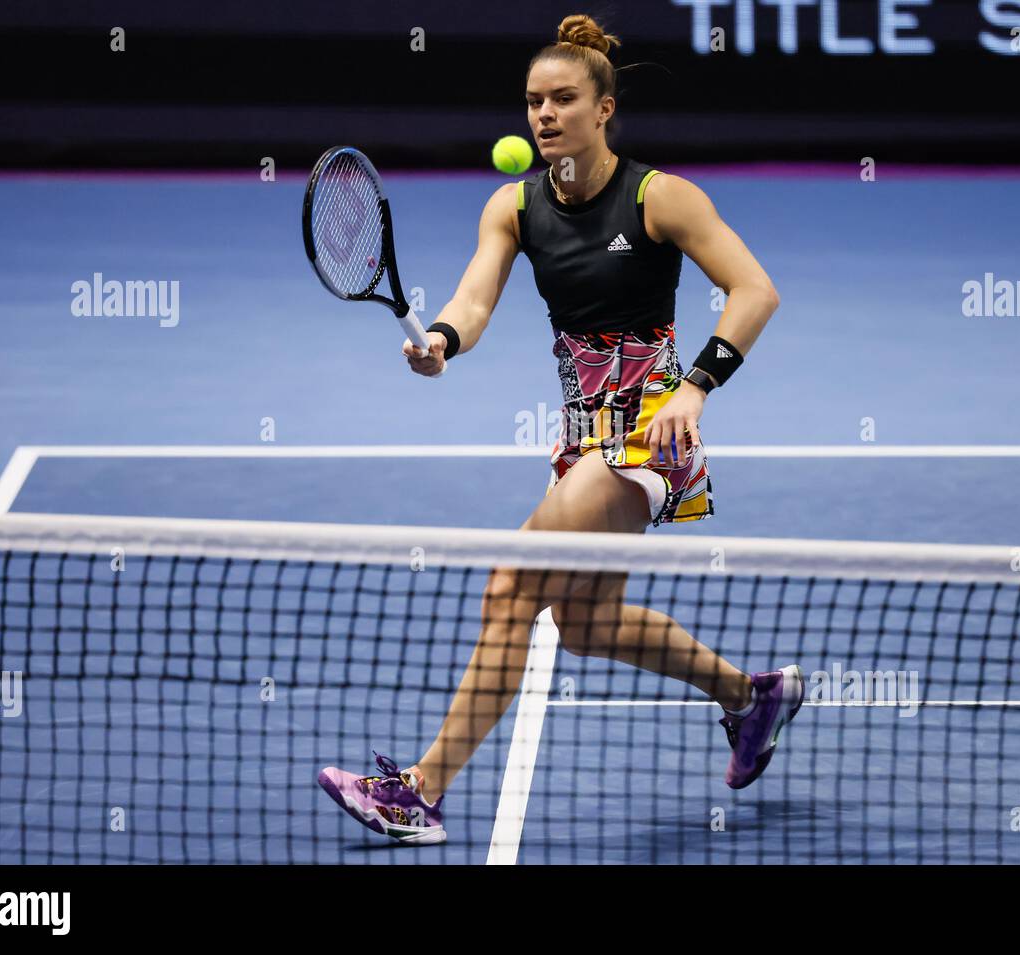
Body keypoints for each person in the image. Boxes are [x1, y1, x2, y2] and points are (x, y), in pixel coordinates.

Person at [318, 13, 802, 846]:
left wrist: (695, 390)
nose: (544, 115)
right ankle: (750, 696)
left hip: (652, 430)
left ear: (604, 109)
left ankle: (419, 791)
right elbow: (474, 300)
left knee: (509, 586)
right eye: (534, 101)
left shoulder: (660, 197)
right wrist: (440, 340)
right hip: (580, 438)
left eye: (564, 100)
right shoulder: (513, 206)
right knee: (585, 626)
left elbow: (755, 290)